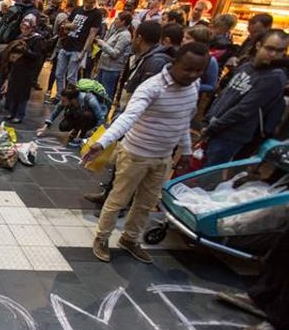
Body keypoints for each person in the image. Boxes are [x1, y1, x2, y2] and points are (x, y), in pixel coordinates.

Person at [82, 43, 210, 263]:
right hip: (135, 154)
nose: (193, 75)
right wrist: (102, 143)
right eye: (188, 69)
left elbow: (183, 121)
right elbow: (128, 117)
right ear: (175, 63)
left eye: (199, 71)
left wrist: (186, 150)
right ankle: (102, 238)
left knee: (145, 203)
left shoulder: (193, 86)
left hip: (163, 157)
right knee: (118, 200)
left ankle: (129, 239)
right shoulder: (152, 87)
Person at [202, 30, 288, 166]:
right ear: (259, 45)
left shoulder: (274, 77)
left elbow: (244, 109)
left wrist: (213, 127)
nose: (273, 55)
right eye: (269, 48)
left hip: (230, 136)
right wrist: (209, 120)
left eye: (279, 51)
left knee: (207, 178)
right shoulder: (247, 66)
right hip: (215, 128)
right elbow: (226, 94)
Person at [56, 0, 102, 103]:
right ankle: (60, 95)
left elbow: (92, 34)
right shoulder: (77, 9)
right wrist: (69, 25)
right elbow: (65, 24)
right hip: (67, 44)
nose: (89, 4)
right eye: (87, 1)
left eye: (91, 2)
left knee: (71, 77)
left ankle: (70, 98)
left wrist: (84, 51)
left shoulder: (96, 14)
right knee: (59, 74)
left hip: (78, 48)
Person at [116, 21, 174, 109]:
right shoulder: (145, 58)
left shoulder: (155, 63)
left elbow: (146, 98)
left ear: (139, 39)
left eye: (134, 37)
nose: (132, 41)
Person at [3, 15, 44, 123]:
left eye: (27, 28)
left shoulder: (37, 39)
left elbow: (37, 56)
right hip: (16, 68)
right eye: (23, 28)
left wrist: (25, 51)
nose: (24, 30)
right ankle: (12, 112)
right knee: (13, 91)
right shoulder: (19, 37)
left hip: (27, 70)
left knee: (22, 94)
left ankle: (19, 114)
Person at [37, 83, 107, 146]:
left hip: (91, 118)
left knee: (86, 115)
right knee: (64, 126)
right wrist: (44, 128)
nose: (62, 102)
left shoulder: (90, 99)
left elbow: (101, 117)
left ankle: (81, 136)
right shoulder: (67, 99)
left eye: (64, 101)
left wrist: (95, 133)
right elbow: (55, 113)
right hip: (78, 114)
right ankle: (76, 130)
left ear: (72, 99)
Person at [94, 11, 133, 100]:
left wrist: (102, 44)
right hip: (104, 66)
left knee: (107, 93)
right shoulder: (116, 32)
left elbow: (115, 53)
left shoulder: (125, 35)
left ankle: (105, 111)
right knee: (99, 91)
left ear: (123, 22)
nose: (115, 21)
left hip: (111, 69)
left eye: (117, 19)